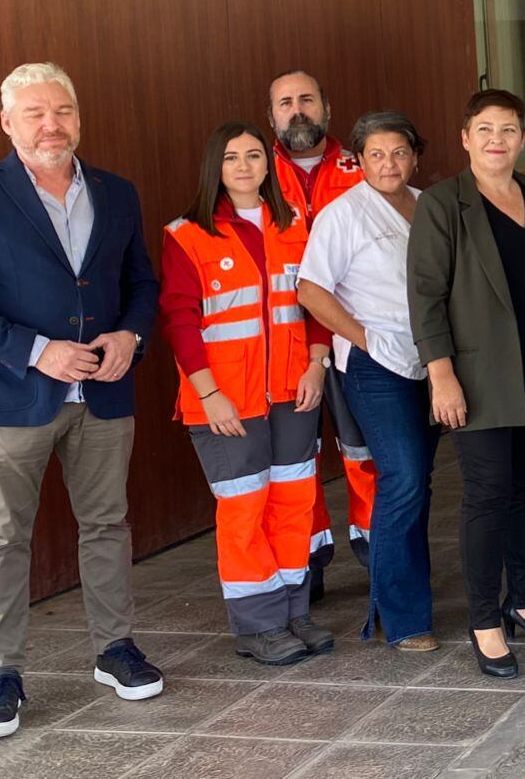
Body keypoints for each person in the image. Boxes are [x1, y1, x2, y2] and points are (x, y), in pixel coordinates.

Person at [0, 63, 164, 739]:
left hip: (103, 391)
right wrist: (35, 350)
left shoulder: (117, 193)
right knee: (2, 538)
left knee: (108, 526)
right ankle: (2, 675)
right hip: (6, 397)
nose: (51, 124)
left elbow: (141, 280)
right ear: (8, 122)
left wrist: (131, 334)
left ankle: (115, 651)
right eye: (34, 113)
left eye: (62, 110)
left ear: (79, 118)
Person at [407, 89, 525, 679]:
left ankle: (524, 601)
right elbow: (425, 295)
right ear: (465, 137)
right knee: (487, 494)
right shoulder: (443, 204)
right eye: (485, 129)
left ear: (523, 139)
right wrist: (441, 374)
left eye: (507, 129)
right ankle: (485, 620)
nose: (496, 139)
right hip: (476, 377)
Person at [160, 120, 334, 666]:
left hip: (292, 390)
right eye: (232, 157)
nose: (243, 166)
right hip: (225, 400)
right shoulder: (187, 233)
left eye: (254, 155)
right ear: (217, 166)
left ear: (268, 164)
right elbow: (180, 321)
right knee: (244, 509)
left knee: (293, 502)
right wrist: (208, 393)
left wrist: (316, 365)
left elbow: (317, 300)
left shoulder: (297, 225)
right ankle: (257, 625)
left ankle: (292, 611)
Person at [297, 111, 441, 653]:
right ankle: (404, 618)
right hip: (374, 364)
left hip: (429, 363)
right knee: (401, 478)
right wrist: (363, 338)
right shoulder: (343, 214)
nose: (389, 164)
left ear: (415, 157)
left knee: (419, 480)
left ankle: (397, 598)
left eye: (399, 153)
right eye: (376, 154)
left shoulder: (430, 206)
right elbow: (311, 289)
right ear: (358, 160)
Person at [268, 70, 371, 585]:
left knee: (364, 449)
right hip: (284, 340)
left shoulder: (363, 165)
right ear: (272, 116)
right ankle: (304, 567)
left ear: (326, 106)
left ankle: (382, 559)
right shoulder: (251, 170)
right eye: (285, 102)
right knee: (295, 458)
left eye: (307, 98)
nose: (297, 109)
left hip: (354, 330)